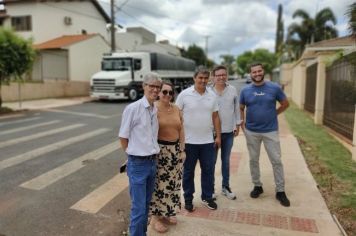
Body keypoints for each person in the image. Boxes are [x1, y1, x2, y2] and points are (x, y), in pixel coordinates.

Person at [239, 62, 291, 207]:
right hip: (252, 131)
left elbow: (285, 103)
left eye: (259, 71)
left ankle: (280, 191)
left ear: (263, 71)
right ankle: (257, 186)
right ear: (250, 74)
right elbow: (241, 107)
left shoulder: (274, 87)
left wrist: (274, 113)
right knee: (253, 160)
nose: (257, 74)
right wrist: (242, 124)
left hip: (270, 131)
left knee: (276, 160)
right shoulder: (245, 90)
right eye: (253, 72)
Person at [118, 73, 162, 236]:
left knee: (145, 205)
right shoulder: (133, 108)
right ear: (144, 86)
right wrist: (133, 155)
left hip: (152, 163)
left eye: (158, 86)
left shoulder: (154, 109)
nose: (155, 89)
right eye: (152, 86)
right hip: (138, 164)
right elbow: (123, 137)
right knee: (138, 208)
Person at [176, 65, 221, 211]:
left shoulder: (212, 95)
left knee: (208, 170)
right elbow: (177, 116)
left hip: (207, 142)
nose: (203, 80)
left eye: (205, 78)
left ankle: (207, 197)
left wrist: (218, 136)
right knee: (188, 172)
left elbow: (215, 117)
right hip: (189, 142)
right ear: (194, 78)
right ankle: (188, 199)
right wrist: (179, 139)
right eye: (200, 77)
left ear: (209, 79)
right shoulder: (184, 95)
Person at [149, 82, 185, 233]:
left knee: (173, 184)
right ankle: (155, 218)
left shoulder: (176, 108)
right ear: (159, 93)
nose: (168, 95)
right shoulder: (153, 109)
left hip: (175, 151)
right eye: (164, 92)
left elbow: (181, 129)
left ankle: (168, 212)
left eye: (171, 93)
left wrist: (182, 149)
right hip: (160, 152)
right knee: (159, 187)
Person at [210, 65, 241, 200]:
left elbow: (236, 109)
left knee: (226, 161)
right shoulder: (208, 91)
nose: (221, 77)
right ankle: (210, 189)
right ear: (214, 77)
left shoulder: (232, 89)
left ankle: (225, 187)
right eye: (218, 75)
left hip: (228, 132)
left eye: (224, 74)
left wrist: (237, 125)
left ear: (226, 75)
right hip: (212, 133)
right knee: (211, 162)